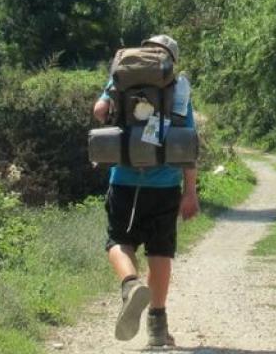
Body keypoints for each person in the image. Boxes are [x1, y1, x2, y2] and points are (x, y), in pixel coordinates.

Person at [93, 34, 199, 348]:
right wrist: (190, 191)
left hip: (124, 178)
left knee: (118, 241)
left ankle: (130, 285)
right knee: (160, 252)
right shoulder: (178, 86)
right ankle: (157, 328)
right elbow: (187, 141)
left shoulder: (121, 78)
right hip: (164, 183)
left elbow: (99, 111)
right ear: (171, 59)